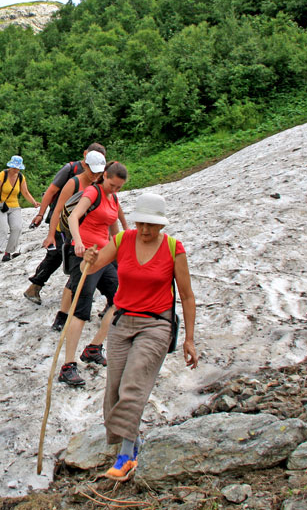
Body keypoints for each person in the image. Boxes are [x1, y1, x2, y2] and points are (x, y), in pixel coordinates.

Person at [82, 192, 198, 481]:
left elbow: (186, 295)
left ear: (162, 225)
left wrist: (190, 339)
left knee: (134, 384)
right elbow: (93, 268)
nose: (145, 230)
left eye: (152, 225)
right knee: (114, 389)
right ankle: (129, 444)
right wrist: (89, 258)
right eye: (141, 224)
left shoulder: (174, 249)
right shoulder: (123, 241)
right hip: (122, 322)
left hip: (156, 325)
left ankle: (126, 455)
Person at [57, 161, 129, 387]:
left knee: (120, 300)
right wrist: (78, 243)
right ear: (104, 176)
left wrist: (122, 252)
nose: (114, 189)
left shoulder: (113, 198)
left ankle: (93, 348)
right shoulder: (93, 191)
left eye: (118, 187)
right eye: (112, 184)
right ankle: (67, 366)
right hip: (85, 256)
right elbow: (74, 217)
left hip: (104, 256)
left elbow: (115, 229)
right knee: (81, 310)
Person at [49, 152, 127, 331]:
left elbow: (113, 218)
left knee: (114, 288)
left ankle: (107, 316)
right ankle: (63, 316)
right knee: (78, 287)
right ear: (85, 165)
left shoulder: (110, 193)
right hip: (80, 245)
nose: (95, 175)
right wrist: (52, 234)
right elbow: (61, 209)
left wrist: (124, 238)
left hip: (103, 249)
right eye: (93, 171)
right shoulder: (76, 183)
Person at [24, 143, 106, 305]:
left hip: (80, 223)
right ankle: (35, 286)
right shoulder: (70, 170)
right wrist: (41, 214)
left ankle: (92, 289)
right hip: (60, 219)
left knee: (77, 254)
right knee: (56, 254)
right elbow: (51, 192)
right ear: (85, 156)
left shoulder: (98, 177)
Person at [0, 155, 39, 265]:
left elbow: (25, 192)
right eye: (14, 167)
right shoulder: (2, 175)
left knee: (17, 228)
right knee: (4, 229)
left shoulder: (20, 177)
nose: (16, 170)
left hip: (14, 206)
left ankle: (8, 253)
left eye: (18, 168)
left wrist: (33, 202)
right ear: (10, 166)